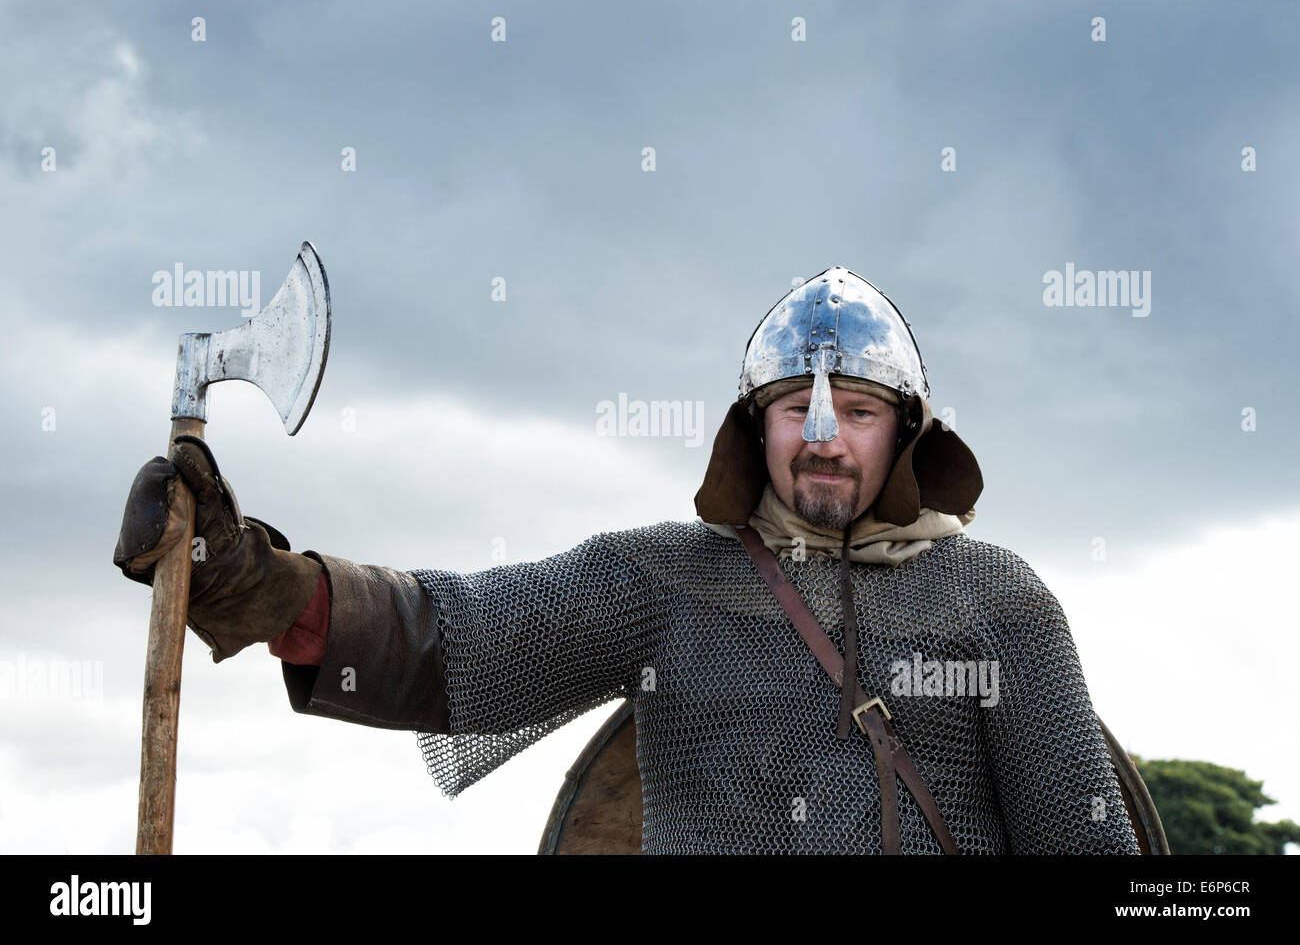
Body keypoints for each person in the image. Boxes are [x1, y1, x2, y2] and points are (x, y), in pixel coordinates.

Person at [115, 266, 1141, 854]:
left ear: (906, 431)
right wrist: (244, 577)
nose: (824, 438)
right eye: (797, 409)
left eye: (857, 412)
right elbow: (455, 640)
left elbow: (1084, 846)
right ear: (754, 427)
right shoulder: (659, 582)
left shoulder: (1000, 601)